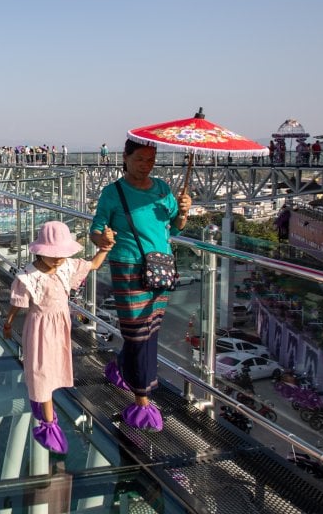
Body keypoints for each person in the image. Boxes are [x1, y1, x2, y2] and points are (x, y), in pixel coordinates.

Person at [90, 139, 192, 431]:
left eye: (150, 160)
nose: (146, 166)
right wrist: (103, 240)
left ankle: (121, 368)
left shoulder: (162, 189)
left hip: (160, 267)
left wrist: (183, 211)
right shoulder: (113, 193)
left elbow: (174, 227)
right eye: (140, 160)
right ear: (125, 158)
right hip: (127, 265)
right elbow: (96, 229)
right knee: (137, 334)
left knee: (150, 328)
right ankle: (143, 399)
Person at [3, 221, 114, 453]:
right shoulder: (27, 276)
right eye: (52, 255)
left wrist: (104, 249)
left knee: (55, 366)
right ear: (39, 251)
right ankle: (48, 422)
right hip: (39, 327)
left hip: (60, 325)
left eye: (61, 255)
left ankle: (43, 406)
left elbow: (92, 265)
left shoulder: (67, 266)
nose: (57, 259)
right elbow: (16, 304)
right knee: (41, 371)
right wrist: (9, 322)